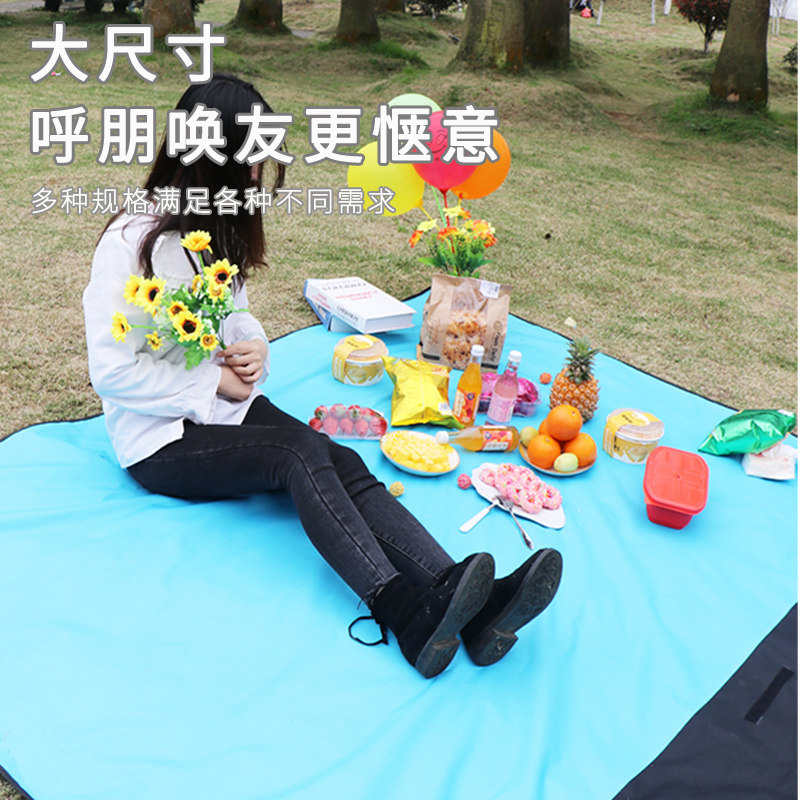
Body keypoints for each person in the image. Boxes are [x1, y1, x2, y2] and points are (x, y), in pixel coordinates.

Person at [82, 74, 563, 679]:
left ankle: (469, 604)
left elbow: (235, 310)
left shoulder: (213, 224)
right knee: (296, 454)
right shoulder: (131, 243)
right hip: (159, 440)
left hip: (225, 408)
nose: (257, 173)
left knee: (340, 459)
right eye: (248, 159)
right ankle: (407, 615)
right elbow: (110, 372)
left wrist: (253, 345)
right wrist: (211, 385)